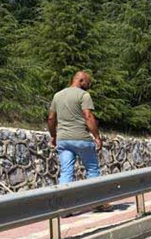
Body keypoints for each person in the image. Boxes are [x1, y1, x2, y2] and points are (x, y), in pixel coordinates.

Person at [47, 71, 111, 211]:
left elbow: (51, 118)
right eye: (88, 83)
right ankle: (97, 202)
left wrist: (53, 136)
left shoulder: (57, 95)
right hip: (81, 139)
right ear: (81, 80)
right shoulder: (84, 95)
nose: (89, 85)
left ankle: (64, 208)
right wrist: (97, 137)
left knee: (66, 172)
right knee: (92, 169)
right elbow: (88, 116)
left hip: (63, 140)